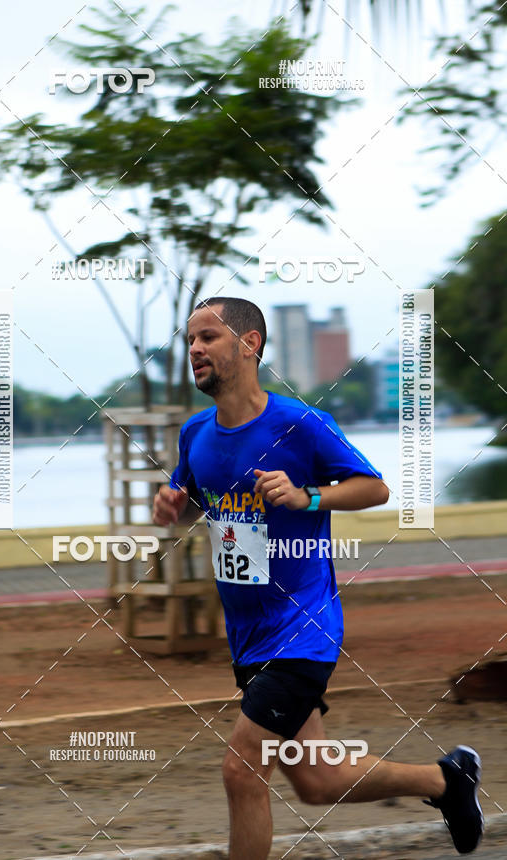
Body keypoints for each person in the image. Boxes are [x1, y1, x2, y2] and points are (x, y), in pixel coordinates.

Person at [152, 297, 483, 859]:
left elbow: (374, 487)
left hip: (303, 628)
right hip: (249, 636)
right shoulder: (195, 434)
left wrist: (307, 497)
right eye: (190, 341)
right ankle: (447, 781)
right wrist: (174, 507)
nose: (195, 350)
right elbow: (199, 505)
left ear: (250, 343)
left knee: (242, 769)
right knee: (316, 780)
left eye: (208, 337)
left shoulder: (299, 424)